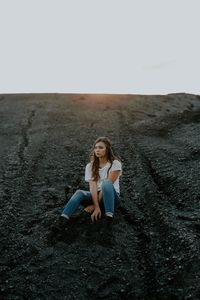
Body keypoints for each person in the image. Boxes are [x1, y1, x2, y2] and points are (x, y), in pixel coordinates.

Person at [53, 136, 122, 230]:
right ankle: (63, 220)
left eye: (101, 147)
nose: (97, 150)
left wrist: (94, 205)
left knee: (106, 183)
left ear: (107, 150)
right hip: (97, 197)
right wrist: (96, 206)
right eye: (96, 147)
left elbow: (107, 186)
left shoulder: (115, 163)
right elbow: (93, 187)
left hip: (111, 198)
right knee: (79, 193)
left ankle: (108, 218)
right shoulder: (90, 166)